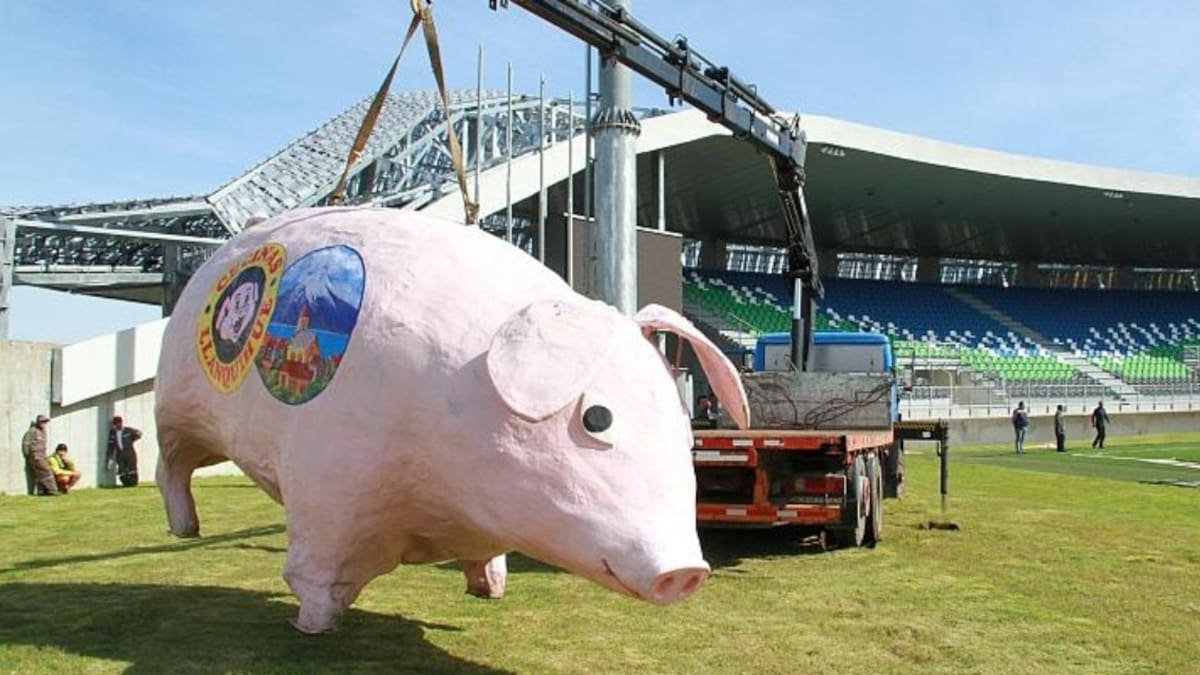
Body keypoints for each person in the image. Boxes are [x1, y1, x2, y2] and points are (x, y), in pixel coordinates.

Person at [21, 415, 60, 496]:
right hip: (35, 456)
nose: (44, 423)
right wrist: (29, 456)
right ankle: (53, 491)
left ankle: (42, 492)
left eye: (46, 422)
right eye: (43, 421)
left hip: (42, 456)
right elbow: (26, 444)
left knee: (40, 474)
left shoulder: (43, 432)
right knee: (47, 471)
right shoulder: (32, 431)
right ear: (38, 422)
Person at [107, 416, 143, 487]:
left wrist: (132, 440)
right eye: (115, 424)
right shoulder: (113, 433)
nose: (117, 426)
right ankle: (125, 483)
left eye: (118, 424)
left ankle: (133, 483)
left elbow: (139, 433)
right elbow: (110, 445)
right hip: (120, 454)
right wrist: (110, 458)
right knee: (122, 469)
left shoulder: (127, 430)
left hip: (129, 452)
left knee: (132, 468)